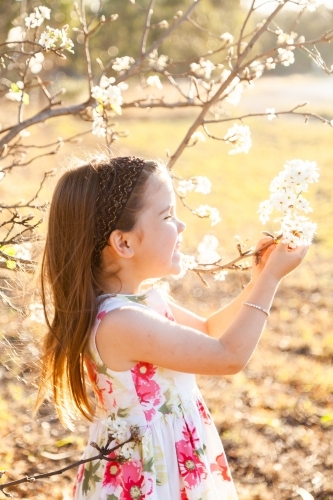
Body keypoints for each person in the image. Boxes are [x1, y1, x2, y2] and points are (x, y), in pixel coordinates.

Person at [36, 155, 308, 500]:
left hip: (171, 453)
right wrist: (271, 279)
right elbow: (228, 357)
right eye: (167, 216)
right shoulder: (121, 322)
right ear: (125, 243)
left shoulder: (143, 302)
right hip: (149, 472)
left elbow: (209, 331)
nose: (180, 227)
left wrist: (258, 277)